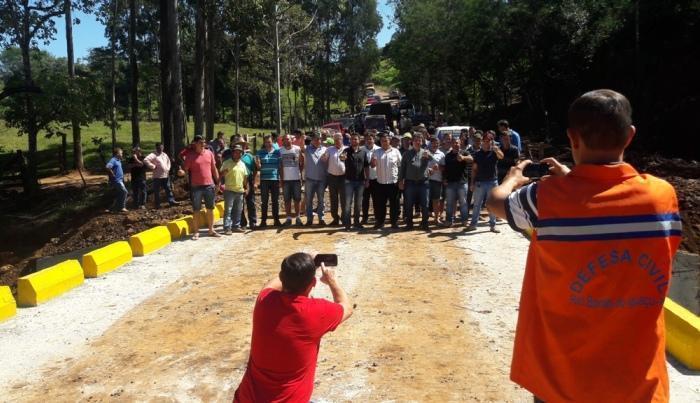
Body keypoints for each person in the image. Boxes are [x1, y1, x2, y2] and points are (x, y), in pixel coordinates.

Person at [487, 89, 681, 402]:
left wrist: (512, 178)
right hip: (638, 384)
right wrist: (575, 178)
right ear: (629, 136)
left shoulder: (545, 198)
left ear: (572, 138)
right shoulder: (662, 196)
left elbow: (496, 203)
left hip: (563, 381)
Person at [233, 253, 353, 402]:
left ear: (282, 278)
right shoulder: (315, 311)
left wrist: (297, 266)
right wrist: (332, 281)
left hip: (248, 398)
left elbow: (271, 284)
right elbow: (346, 308)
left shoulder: (265, 300)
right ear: (313, 283)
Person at [465, 131, 503, 233]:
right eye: (485, 141)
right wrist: (472, 183)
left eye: (489, 141)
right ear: (482, 142)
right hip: (480, 183)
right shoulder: (477, 154)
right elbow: (474, 169)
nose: (487, 143)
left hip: (492, 182)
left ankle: (493, 225)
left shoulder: (495, 152)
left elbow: (501, 156)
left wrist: (496, 149)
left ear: (491, 142)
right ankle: (473, 225)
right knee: (477, 204)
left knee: (492, 205)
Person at [183, 135, 220, 239]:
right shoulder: (190, 156)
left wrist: (218, 181)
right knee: (196, 210)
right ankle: (196, 232)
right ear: (195, 143)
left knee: (210, 209)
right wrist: (181, 172)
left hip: (209, 185)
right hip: (196, 187)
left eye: (204, 142)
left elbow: (214, 168)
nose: (203, 144)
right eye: (200, 142)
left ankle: (211, 230)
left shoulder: (209, 153)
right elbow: (185, 169)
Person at [398, 132, 433, 230]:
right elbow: (402, 168)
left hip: (423, 183)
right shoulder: (406, 154)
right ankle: (409, 224)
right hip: (410, 183)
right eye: (416, 140)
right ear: (412, 142)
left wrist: (428, 156)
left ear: (422, 142)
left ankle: (425, 223)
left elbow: (433, 160)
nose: (418, 142)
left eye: (420, 140)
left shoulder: (425, 152)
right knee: (409, 204)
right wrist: (400, 181)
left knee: (425, 204)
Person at [371, 133, 402, 229]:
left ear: (390, 141)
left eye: (386, 140)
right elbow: (372, 165)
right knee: (380, 204)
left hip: (393, 182)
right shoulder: (376, 152)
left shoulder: (396, 151)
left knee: (394, 204)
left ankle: (394, 222)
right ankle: (380, 222)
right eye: (382, 141)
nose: (384, 142)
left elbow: (400, 166)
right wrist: (373, 162)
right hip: (380, 182)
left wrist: (400, 180)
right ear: (380, 142)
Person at [442, 137, 474, 227]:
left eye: (457, 143)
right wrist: (444, 178)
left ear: (460, 143)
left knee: (463, 203)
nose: (456, 144)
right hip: (450, 183)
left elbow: (471, 159)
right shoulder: (448, 155)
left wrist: (463, 158)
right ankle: (449, 221)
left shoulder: (464, 152)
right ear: (451, 144)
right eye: (454, 143)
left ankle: (464, 221)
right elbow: (446, 169)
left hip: (462, 183)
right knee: (449, 203)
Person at [342, 133, 369, 230]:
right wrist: (342, 157)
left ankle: (357, 222)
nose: (354, 141)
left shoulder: (363, 152)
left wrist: (367, 179)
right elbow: (341, 158)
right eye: (352, 139)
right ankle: (347, 223)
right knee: (348, 203)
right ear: (350, 141)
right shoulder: (346, 151)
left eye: (356, 139)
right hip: (349, 181)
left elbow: (366, 166)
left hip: (361, 181)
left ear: (359, 140)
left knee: (358, 204)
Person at [220, 145, 248, 234]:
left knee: (238, 210)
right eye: (236, 152)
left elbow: (245, 177)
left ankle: (236, 226)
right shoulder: (226, 163)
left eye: (240, 152)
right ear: (233, 153)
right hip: (229, 190)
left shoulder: (243, 164)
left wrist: (246, 187)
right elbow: (220, 174)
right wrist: (223, 175)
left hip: (240, 190)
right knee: (228, 210)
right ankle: (227, 227)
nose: (238, 154)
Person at [256, 136, 282, 227]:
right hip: (264, 180)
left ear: (272, 142)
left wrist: (281, 179)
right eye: (266, 142)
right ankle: (263, 221)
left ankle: (276, 220)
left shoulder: (277, 152)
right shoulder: (259, 153)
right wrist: (258, 164)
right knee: (264, 201)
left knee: (275, 201)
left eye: (269, 142)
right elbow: (258, 167)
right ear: (264, 142)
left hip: (275, 179)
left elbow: (280, 166)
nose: (268, 144)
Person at [279, 134, 304, 226]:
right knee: (287, 200)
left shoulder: (297, 149)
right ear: (282, 141)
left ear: (291, 140)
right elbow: (280, 165)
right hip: (285, 179)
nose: (287, 141)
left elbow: (302, 161)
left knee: (297, 199)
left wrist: (299, 172)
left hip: (296, 178)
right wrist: (281, 179)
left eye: (288, 139)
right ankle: (288, 218)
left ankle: (298, 217)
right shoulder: (280, 150)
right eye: (285, 139)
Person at [322, 133, 346, 226]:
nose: (337, 141)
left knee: (344, 199)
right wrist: (323, 155)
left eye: (339, 139)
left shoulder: (347, 149)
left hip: (344, 177)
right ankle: (335, 219)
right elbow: (324, 159)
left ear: (342, 139)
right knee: (333, 198)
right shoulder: (329, 149)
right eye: (335, 139)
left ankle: (344, 218)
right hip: (332, 177)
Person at [304, 132, 328, 226]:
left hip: (322, 179)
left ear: (321, 140)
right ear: (312, 140)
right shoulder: (307, 149)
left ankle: (321, 218)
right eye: (315, 139)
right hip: (310, 179)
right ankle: (309, 219)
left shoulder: (325, 149)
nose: (317, 141)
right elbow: (301, 146)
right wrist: (302, 137)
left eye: (319, 139)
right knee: (309, 200)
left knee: (321, 200)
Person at [144, 142, 178, 208]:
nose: (161, 149)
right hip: (157, 176)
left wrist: (167, 169)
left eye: (162, 147)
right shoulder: (153, 155)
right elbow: (145, 160)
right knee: (156, 191)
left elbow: (168, 162)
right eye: (159, 148)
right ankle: (157, 204)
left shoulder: (164, 155)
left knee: (168, 188)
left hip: (165, 175)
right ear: (156, 148)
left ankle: (171, 201)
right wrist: (153, 166)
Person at [360, 131, 380, 225]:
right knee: (365, 200)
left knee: (377, 200)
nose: (369, 141)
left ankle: (377, 217)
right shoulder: (361, 149)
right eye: (367, 139)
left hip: (376, 178)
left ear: (374, 139)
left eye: (370, 139)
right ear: (364, 140)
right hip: (364, 179)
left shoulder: (379, 150)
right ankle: (364, 218)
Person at [238, 141, 258, 230]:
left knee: (251, 201)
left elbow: (255, 169)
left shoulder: (249, 156)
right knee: (239, 203)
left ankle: (253, 222)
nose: (242, 146)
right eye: (240, 144)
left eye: (243, 144)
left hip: (248, 179)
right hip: (238, 180)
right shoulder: (233, 156)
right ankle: (242, 223)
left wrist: (253, 181)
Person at [427, 137, 446, 225]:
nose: (435, 145)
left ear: (439, 144)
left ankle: (436, 219)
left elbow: (444, 167)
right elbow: (420, 166)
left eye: (437, 143)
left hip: (437, 180)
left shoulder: (442, 154)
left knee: (436, 200)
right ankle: (425, 219)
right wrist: (429, 169)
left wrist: (439, 168)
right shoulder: (425, 152)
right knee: (425, 200)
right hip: (426, 180)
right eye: (433, 143)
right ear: (430, 143)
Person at [105, 147, 127, 213]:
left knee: (120, 194)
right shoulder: (113, 160)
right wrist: (112, 174)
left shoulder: (118, 160)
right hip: (117, 180)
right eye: (121, 153)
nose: (122, 154)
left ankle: (113, 208)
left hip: (120, 180)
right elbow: (107, 167)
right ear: (117, 154)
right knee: (124, 192)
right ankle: (122, 207)